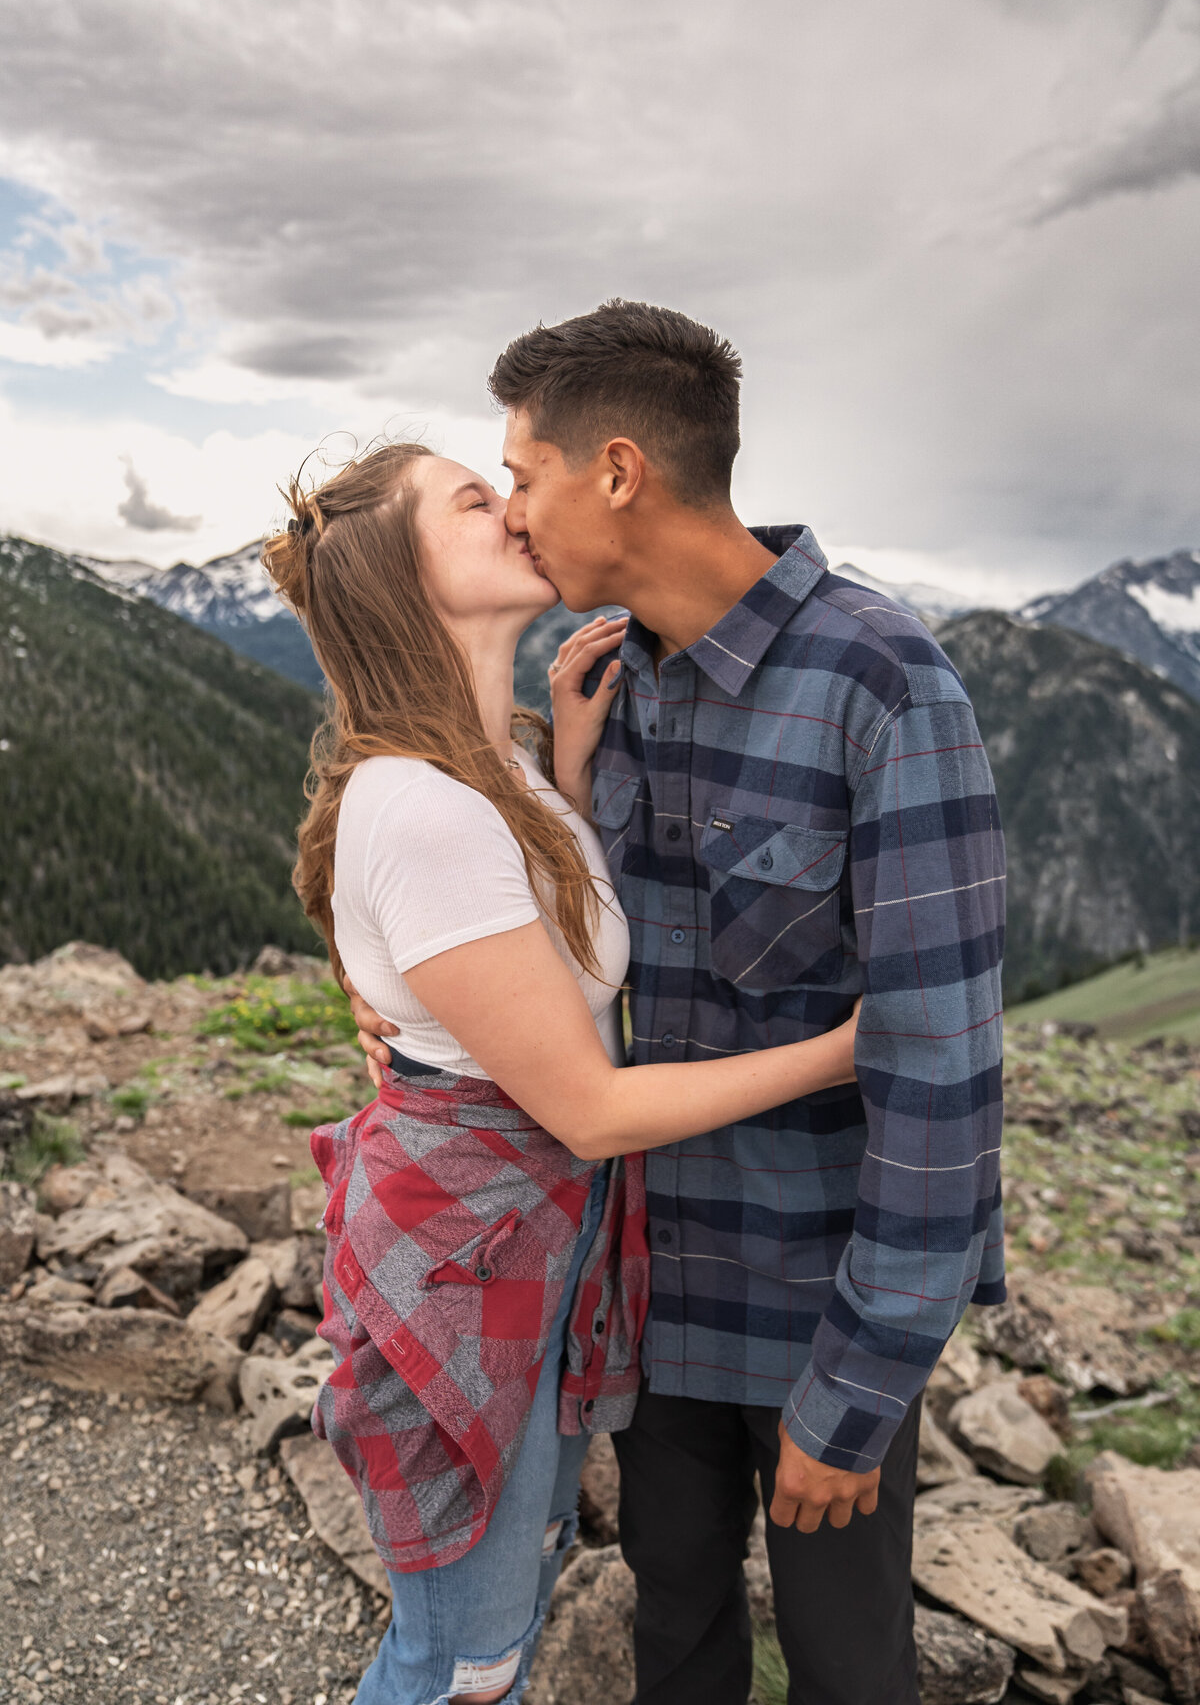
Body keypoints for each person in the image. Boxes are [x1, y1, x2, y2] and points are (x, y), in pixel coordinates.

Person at [354, 302, 1007, 1705]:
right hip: (651, 1298)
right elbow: (494, 903)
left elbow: (944, 1089)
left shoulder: (883, 686)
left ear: (619, 473)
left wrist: (862, 1385)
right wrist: (418, 1026)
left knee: (847, 1664)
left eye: (521, 475)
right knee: (678, 1643)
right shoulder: (612, 681)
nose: (515, 511)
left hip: (818, 1307)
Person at [261, 439, 864, 1705]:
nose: (516, 509)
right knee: (462, 1657)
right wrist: (843, 1049)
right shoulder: (424, 806)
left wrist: (574, 772)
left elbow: (538, 961)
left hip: (529, 1244)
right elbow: (587, 1108)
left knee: (515, 1601)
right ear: (399, 576)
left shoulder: (508, 771)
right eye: (477, 501)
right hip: (479, 1248)